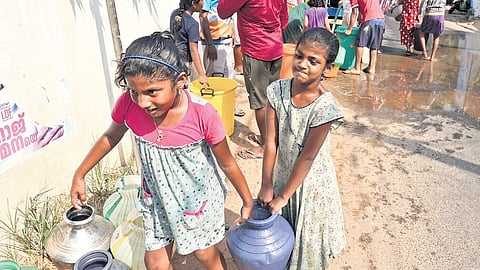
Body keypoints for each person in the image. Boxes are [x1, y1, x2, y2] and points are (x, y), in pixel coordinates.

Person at [69, 32, 254, 270]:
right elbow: (110, 136)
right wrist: (80, 174)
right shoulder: (128, 105)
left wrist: (247, 201)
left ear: (180, 80)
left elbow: (227, 162)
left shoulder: (202, 114)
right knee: (155, 263)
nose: (142, 102)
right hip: (155, 198)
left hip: (195, 203)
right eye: (134, 91)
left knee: (204, 254)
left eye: (152, 92)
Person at [257, 28, 346, 270]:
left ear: (327, 68)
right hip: (281, 173)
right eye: (299, 56)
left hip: (310, 185)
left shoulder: (325, 109)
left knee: (305, 244)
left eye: (313, 61)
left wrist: (284, 196)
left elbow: (307, 159)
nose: (302, 64)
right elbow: (271, 142)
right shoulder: (277, 91)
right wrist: (267, 185)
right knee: (280, 238)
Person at [218, 0, 288, 159]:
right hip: (276, 48)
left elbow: (222, 11)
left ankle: (266, 145)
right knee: (274, 98)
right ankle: (272, 139)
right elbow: (284, 19)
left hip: (257, 51)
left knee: (260, 101)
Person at [170, 0, 208, 86]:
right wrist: (201, 74)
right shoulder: (192, 24)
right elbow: (193, 50)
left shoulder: (174, 14)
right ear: (194, 3)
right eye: (202, 0)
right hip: (185, 63)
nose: (204, 3)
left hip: (173, 58)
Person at [343, 0, 385, 74]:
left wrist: (349, 29)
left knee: (360, 43)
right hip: (380, 20)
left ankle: (357, 68)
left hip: (369, 20)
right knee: (374, 46)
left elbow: (354, 13)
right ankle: (371, 68)